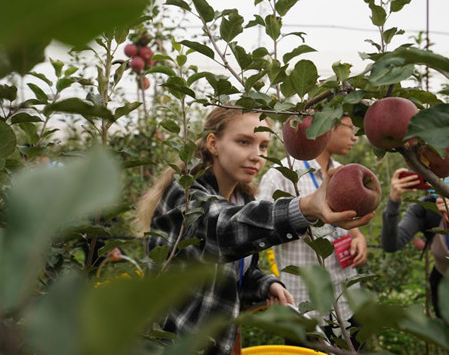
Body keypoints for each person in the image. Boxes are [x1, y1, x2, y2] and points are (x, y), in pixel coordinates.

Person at [134, 107, 371, 355]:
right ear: (213, 144)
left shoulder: (241, 199)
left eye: (263, 146)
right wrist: (305, 207)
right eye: (244, 142)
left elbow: (236, 267)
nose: (257, 155)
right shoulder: (183, 194)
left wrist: (264, 283)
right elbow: (222, 230)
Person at [257, 115, 370, 348]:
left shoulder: (345, 174)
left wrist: (358, 237)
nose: (355, 136)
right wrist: (264, 284)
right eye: (350, 128)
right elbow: (256, 229)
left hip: (347, 305)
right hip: (304, 311)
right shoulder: (282, 174)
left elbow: (347, 221)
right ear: (325, 126)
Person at [381, 164, 449, 355]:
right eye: (437, 180)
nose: (444, 187)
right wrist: (393, 201)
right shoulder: (424, 208)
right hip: (447, 284)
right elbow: (391, 244)